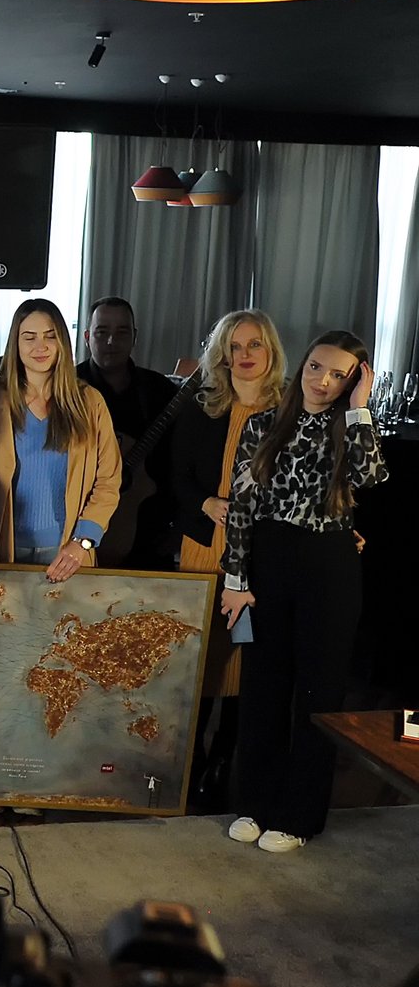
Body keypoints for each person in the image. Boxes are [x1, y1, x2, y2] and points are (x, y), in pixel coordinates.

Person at [219, 331, 385, 854]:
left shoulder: (350, 428)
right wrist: (235, 580)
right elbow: (241, 507)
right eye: (316, 367)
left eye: (339, 375)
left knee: (318, 693)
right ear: (302, 366)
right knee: (263, 688)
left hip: (329, 565)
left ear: (353, 382)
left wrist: (359, 409)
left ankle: (299, 817)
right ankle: (255, 803)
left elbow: (370, 476)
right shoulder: (263, 424)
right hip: (269, 559)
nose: (322, 381)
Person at [170, 310, 287, 810]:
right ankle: (191, 760)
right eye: (235, 346)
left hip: (260, 552)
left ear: (270, 351)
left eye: (254, 344)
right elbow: (173, 474)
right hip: (204, 546)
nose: (244, 355)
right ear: (222, 354)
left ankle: (223, 760)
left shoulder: (290, 413)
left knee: (248, 655)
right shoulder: (201, 407)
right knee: (200, 657)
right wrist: (204, 502)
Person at [0, 299, 120, 581]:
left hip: (68, 552)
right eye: (29, 337)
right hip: (2, 550)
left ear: (62, 342)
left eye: (49, 336)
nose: (40, 346)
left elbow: (108, 480)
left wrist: (82, 542)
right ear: (15, 344)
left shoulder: (90, 402)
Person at [76, 296, 179, 568]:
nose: (111, 341)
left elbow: (178, 464)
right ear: (87, 337)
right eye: (102, 332)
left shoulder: (159, 390)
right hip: (80, 531)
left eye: (122, 332)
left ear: (135, 337)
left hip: (151, 537)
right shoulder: (68, 388)